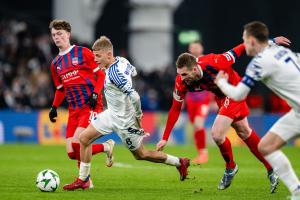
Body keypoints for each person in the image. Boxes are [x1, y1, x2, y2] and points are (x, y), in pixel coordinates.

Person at [156, 36, 289, 192]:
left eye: (184, 74)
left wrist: (271, 41)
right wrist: (165, 137)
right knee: (244, 131)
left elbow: (241, 48)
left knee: (217, 134)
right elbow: (175, 109)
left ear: (193, 69)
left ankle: (230, 167)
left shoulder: (215, 62)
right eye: (179, 74)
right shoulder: (181, 82)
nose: (181, 78)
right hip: (221, 96)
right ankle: (271, 167)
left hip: (235, 90)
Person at [62, 36, 190, 191]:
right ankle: (83, 179)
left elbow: (134, 95)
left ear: (109, 55)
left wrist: (138, 115)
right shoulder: (122, 60)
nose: (95, 60)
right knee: (84, 139)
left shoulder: (114, 74)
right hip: (111, 114)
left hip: (125, 121)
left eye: (98, 56)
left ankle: (179, 162)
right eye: (94, 55)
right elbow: (133, 71)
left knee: (141, 154)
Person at [215, 21, 300, 200]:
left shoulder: (259, 63)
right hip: (297, 112)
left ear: (252, 41)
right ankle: (297, 191)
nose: (244, 45)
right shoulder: (282, 51)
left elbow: (238, 94)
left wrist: (221, 82)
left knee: (266, 147)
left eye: (244, 41)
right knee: (266, 146)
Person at [48, 20, 115, 188]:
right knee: (72, 152)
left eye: (60, 34)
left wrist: (95, 93)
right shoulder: (55, 63)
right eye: (54, 35)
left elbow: (100, 75)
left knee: (79, 143)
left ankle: (85, 181)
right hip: (73, 110)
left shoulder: (82, 52)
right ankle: (106, 147)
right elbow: (60, 89)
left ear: (68, 35)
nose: (57, 38)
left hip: (90, 106)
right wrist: (54, 107)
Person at [186, 41, 212, 164]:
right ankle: (200, 152)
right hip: (191, 100)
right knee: (195, 126)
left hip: (203, 99)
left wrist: (213, 99)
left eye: (196, 47)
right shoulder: (187, 64)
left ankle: (203, 154)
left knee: (198, 124)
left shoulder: (207, 61)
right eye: (192, 48)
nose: (194, 49)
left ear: (201, 48)